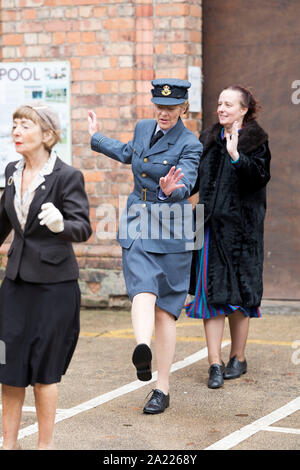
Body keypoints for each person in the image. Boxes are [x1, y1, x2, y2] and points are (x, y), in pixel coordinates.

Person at [88, 79, 202, 414]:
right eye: (159, 107)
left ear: (183, 109)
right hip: (138, 218)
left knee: (166, 309)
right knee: (141, 287)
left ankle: (161, 388)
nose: (163, 113)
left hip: (175, 224)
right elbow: (127, 153)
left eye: (170, 108)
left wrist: (170, 189)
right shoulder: (142, 128)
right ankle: (141, 348)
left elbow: (189, 182)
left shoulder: (190, 143)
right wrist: (96, 137)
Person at [0, 104, 92, 449]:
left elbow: (83, 227)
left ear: (48, 135)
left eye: (25, 125)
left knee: (44, 372)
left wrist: (61, 225)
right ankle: (8, 444)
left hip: (55, 288)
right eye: (15, 125)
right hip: (15, 286)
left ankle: (44, 445)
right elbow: (2, 223)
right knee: (7, 369)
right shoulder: (11, 171)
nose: (17, 131)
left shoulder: (66, 176)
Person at [185, 85, 271, 389]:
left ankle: (238, 357)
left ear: (244, 109)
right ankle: (214, 363)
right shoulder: (208, 139)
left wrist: (237, 156)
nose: (221, 109)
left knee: (240, 297)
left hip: (242, 232)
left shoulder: (255, 140)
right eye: (220, 104)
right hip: (208, 228)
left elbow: (259, 176)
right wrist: (173, 189)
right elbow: (194, 181)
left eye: (229, 105)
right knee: (210, 296)